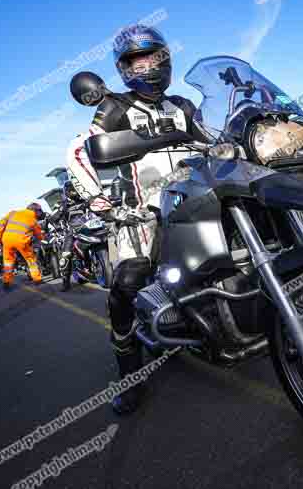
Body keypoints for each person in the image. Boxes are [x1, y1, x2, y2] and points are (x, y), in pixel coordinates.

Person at [65, 24, 208, 415]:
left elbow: (210, 137)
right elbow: (80, 151)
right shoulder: (115, 107)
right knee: (125, 289)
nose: (148, 65)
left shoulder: (183, 106)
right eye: (138, 59)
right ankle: (131, 379)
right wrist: (103, 203)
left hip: (194, 204)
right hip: (139, 216)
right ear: (125, 67)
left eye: (154, 56)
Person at [0, 203, 45, 290]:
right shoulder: (33, 219)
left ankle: (6, 282)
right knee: (31, 260)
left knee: (8, 262)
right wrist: (42, 237)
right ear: (35, 210)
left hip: (7, 240)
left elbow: (1, 223)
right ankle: (37, 280)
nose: (41, 213)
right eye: (40, 211)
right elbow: (39, 235)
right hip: (22, 241)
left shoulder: (13, 213)